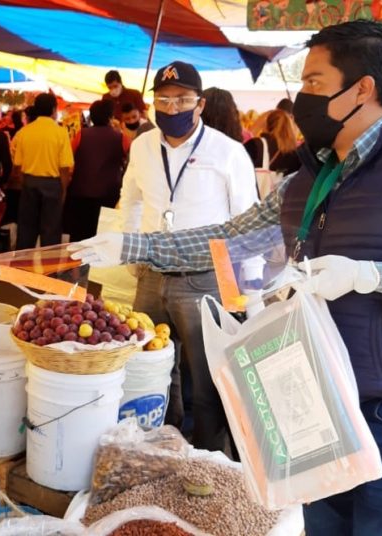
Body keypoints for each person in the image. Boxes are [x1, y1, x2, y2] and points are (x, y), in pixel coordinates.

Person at [71, 20, 382, 536]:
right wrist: (131, 244)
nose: (302, 97)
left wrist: (371, 276)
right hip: (313, 401)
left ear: (363, 88)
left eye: (313, 83)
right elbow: (226, 236)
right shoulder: (307, 179)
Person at [116, 60, 262, 451]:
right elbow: (129, 201)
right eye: (163, 100)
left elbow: (249, 225)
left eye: (182, 100)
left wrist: (248, 294)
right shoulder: (142, 146)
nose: (172, 109)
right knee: (151, 369)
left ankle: (210, 465)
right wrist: (130, 253)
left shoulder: (228, 152)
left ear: (199, 105)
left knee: (206, 381)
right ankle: (161, 449)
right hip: (150, 274)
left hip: (205, 278)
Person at [12, 92, 74, 248]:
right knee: (51, 232)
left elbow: (17, 165)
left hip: (29, 182)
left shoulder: (24, 132)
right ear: (54, 109)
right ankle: (49, 272)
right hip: (52, 185)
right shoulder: (60, 132)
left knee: (26, 229)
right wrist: (63, 190)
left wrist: (24, 183)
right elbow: (65, 167)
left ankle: (21, 268)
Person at [63, 100, 129, 241]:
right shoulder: (121, 138)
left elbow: (70, 159)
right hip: (109, 194)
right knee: (103, 237)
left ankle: (78, 262)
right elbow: (130, 159)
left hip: (81, 192)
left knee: (80, 237)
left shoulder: (81, 135)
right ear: (110, 117)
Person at [244, 109, 302, 176]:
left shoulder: (256, 144)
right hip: (282, 186)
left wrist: (254, 129)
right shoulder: (294, 153)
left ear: (267, 124)